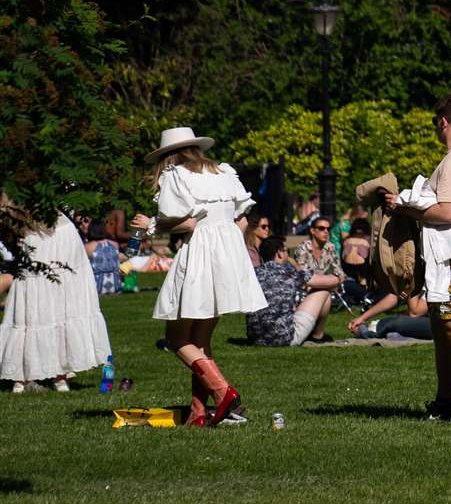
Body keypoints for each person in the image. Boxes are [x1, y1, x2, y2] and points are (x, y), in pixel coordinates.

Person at [132, 126, 266, 426]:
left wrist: (152, 225)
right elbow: (241, 217)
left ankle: (223, 392)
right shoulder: (224, 173)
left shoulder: (176, 176)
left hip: (202, 253)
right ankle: (198, 412)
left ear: (170, 155)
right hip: (228, 253)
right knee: (201, 340)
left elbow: (187, 223)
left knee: (177, 338)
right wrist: (229, 247)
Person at [383, 93, 451, 423]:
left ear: (443, 122)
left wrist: (404, 207)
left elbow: (446, 213)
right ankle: (444, 403)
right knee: (444, 335)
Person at [0, 210, 112, 392]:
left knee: (59, 299)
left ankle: (56, 375)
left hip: (57, 232)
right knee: (32, 299)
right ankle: (24, 377)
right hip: (33, 232)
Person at [245, 236, 340, 346]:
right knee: (323, 292)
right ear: (279, 254)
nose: (288, 255)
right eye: (287, 251)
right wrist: (339, 277)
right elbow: (327, 282)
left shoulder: (255, 273)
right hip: (283, 338)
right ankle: (318, 336)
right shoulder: (288, 272)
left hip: (255, 339)